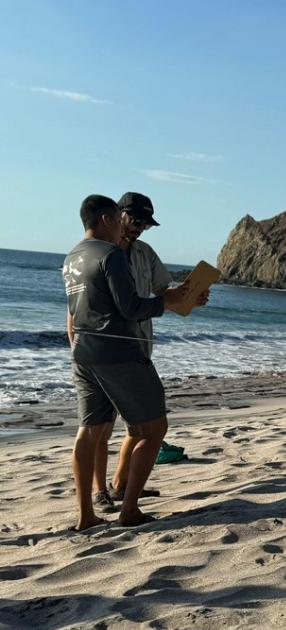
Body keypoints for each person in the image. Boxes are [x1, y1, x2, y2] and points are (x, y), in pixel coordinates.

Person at [63, 195, 186, 530]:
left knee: (88, 431)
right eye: (120, 219)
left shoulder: (72, 256)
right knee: (154, 428)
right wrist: (166, 303)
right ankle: (129, 509)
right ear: (105, 219)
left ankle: (86, 516)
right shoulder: (111, 254)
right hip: (118, 349)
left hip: (83, 351)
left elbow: (74, 312)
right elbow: (130, 307)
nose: (124, 227)